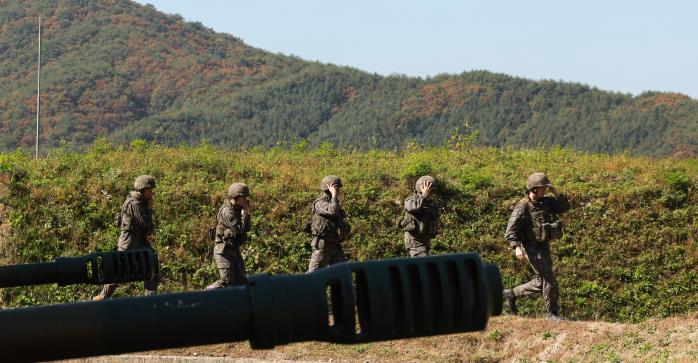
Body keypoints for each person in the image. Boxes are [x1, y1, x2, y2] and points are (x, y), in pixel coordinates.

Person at [503, 172, 570, 320]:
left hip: (543, 246)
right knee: (550, 279)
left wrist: (556, 191)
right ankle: (551, 314)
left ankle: (512, 293)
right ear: (533, 189)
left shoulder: (546, 202)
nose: (545, 190)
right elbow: (510, 231)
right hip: (531, 248)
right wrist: (516, 247)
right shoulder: (523, 207)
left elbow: (564, 207)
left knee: (541, 282)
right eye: (543, 188)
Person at [93, 175, 159, 300]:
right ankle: (102, 297)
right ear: (141, 189)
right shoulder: (134, 203)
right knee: (119, 271)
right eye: (149, 190)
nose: (151, 192)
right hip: (128, 243)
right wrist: (150, 209)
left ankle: (151, 297)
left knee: (152, 264)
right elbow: (146, 224)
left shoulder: (141, 202)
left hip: (140, 242)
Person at [205, 183, 252, 289]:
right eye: (243, 197)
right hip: (224, 251)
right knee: (227, 282)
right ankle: (204, 293)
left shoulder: (237, 209)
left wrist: (246, 214)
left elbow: (247, 228)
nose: (245, 200)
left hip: (234, 250)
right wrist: (244, 215)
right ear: (236, 197)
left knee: (241, 282)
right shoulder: (227, 211)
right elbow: (239, 229)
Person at [307, 175, 350, 273]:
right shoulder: (319, 203)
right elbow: (332, 211)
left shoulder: (334, 203)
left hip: (335, 244)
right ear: (329, 188)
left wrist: (345, 228)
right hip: (323, 245)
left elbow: (338, 220)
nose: (338, 190)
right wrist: (334, 195)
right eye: (336, 188)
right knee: (313, 276)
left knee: (342, 274)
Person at [400, 175, 441, 257]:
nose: (431, 195)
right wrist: (424, 195)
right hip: (414, 241)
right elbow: (415, 207)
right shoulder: (410, 200)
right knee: (423, 264)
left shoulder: (431, 204)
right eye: (430, 192)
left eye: (432, 193)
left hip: (425, 241)